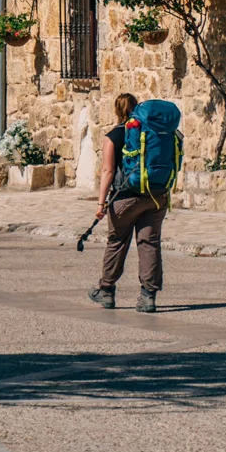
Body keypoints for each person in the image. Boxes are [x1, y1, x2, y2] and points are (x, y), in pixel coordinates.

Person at [88, 92, 167, 314]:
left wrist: (101, 203)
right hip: (155, 196)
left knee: (117, 242)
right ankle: (148, 297)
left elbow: (108, 170)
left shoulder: (113, 135)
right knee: (149, 244)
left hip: (124, 198)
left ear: (116, 110)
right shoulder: (152, 133)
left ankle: (106, 291)